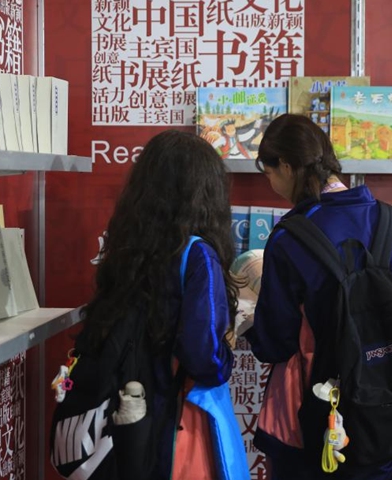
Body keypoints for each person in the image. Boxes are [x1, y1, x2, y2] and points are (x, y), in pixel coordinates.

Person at [243, 113, 392, 480]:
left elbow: (275, 342)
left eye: (269, 172)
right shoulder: (390, 222)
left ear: (287, 166)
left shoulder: (290, 238)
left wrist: (247, 321)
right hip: (389, 407)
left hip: (317, 415)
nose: (271, 183)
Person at [80, 130, 245, 479]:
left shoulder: (127, 246)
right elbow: (205, 360)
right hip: (181, 422)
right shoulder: (198, 254)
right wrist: (228, 347)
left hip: (127, 416)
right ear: (206, 192)